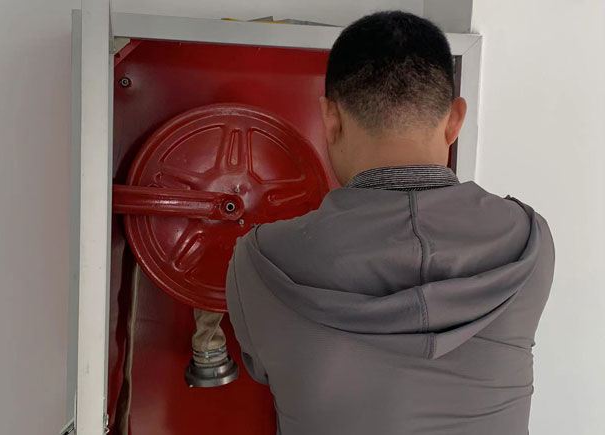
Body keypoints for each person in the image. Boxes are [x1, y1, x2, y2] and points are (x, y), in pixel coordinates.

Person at [226, 10, 554, 435]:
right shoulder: (530, 242)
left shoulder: (259, 263)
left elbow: (265, 368)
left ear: (330, 119)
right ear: (455, 120)